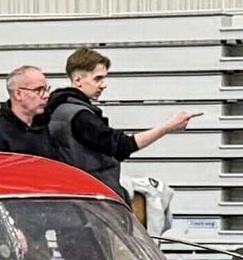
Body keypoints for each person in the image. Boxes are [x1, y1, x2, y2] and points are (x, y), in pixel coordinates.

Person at [43, 47, 196, 194]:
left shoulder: (57, 109)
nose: (104, 85)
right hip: (92, 197)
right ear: (78, 80)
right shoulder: (81, 116)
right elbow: (122, 146)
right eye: (98, 79)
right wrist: (168, 127)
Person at [0, 66, 58, 156]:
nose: (46, 95)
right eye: (39, 90)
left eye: (46, 89)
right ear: (18, 94)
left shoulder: (45, 127)